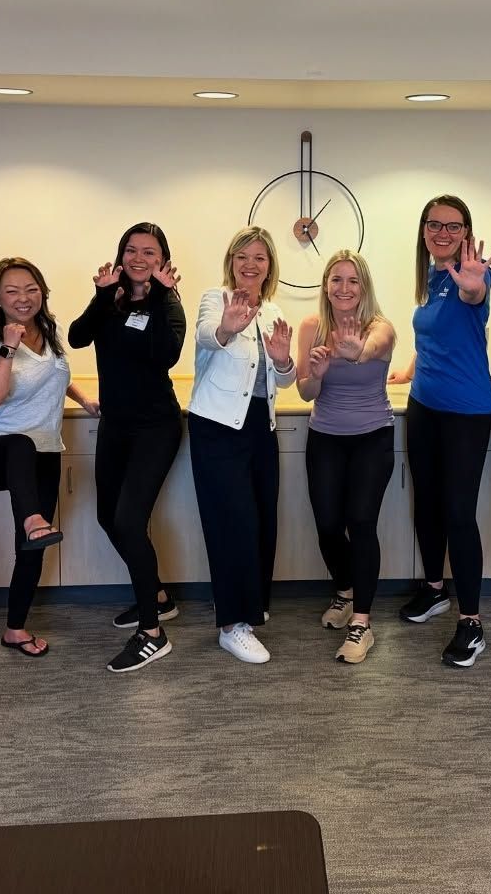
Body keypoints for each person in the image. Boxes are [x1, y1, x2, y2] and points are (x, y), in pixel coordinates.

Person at [68, 222, 186, 673]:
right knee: (106, 516)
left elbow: (164, 356)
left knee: (128, 520)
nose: (139, 258)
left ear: (162, 260)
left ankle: (153, 633)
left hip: (156, 426)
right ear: (121, 255)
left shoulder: (169, 304)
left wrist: (157, 295)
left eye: (149, 252)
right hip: (116, 424)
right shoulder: (111, 298)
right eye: (132, 250)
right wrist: (101, 294)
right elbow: (79, 337)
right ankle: (155, 595)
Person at [0, 258, 96, 659]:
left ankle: (15, 629)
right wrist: (9, 346)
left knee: (32, 547)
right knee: (21, 446)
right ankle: (33, 520)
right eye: (12, 291)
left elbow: (53, 372)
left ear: (42, 292)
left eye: (31, 289)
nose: (23, 298)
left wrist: (84, 399)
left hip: (44, 449)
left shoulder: (50, 332)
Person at [392, 195, 491, 668]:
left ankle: (471, 622)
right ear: (424, 231)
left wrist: (474, 286)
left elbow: (473, 299)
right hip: (424, 405)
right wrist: (411, 368)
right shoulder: (433, 278)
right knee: (427, 504)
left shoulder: (474, 276)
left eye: (453, 227)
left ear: (466, 233)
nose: (443, 233)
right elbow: (435, 333)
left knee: (458, 513)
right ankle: (434, 589)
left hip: (466, 411)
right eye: (434, 225)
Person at [186, 226, 294, 664]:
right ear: (231, 261)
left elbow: (283, 379)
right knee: (232, 525)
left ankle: (250, 605)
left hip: (260, 428)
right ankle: (233, 625)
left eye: (260, 258)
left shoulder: (274, 310)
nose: (251, 265)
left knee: (263, 522)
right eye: (242, 256)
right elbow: (207, 336)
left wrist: (285, 359)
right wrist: (228, 328)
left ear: (270, 267)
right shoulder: (216, 299)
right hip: (217, 426)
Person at [295, 250, 396, 664]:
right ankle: (345, 588)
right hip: (326, 436)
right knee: (327, 524)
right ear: (325, 286)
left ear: (364, 287)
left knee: (361, 521)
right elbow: (304, 392)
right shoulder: (311, 327)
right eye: (336, 280)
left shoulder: (381, 327)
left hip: (372, 435)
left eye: (353, 281)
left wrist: (352, 351)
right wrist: (315, 375)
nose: (344, 288)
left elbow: (370, 350)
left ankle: (362, 622)